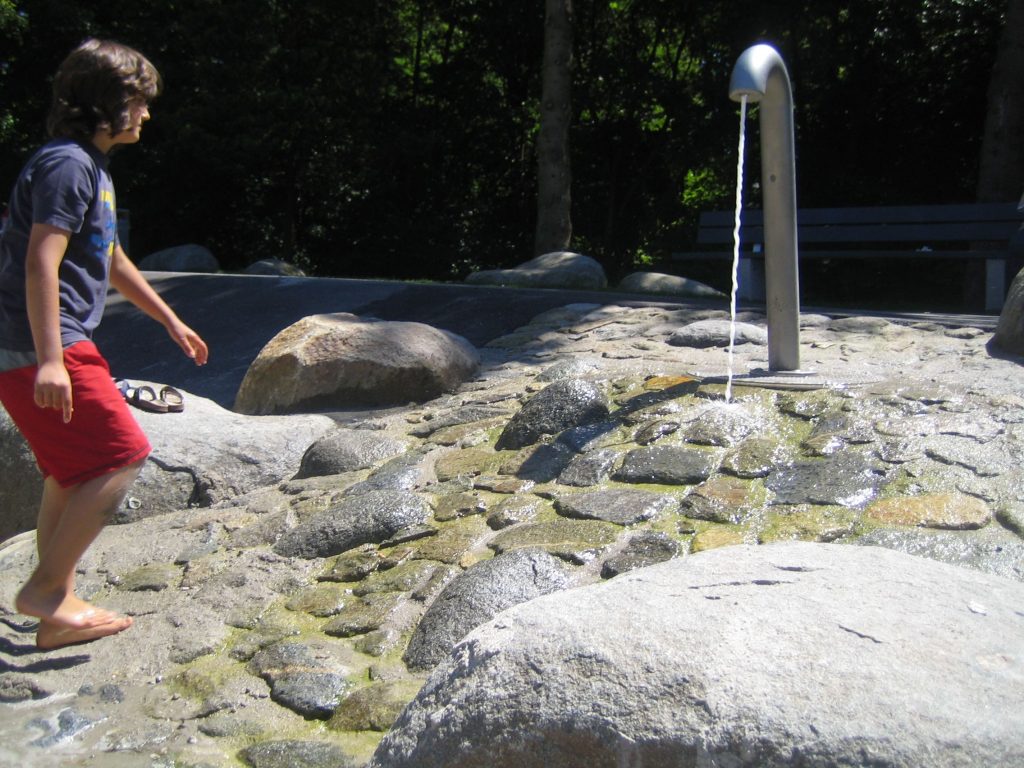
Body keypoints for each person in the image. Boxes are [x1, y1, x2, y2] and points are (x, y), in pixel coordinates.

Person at [0, 39, 208, 650]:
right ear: (105, 103)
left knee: (69, 471)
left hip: (42, 342)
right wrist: (50, 361)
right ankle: (46, 589)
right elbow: (43, 260)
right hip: (46, 341)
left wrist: (169, 320)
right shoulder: (68, 164)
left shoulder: (90, 167)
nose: (146, 114)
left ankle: (53, 613)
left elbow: (111, 257)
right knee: (122, 453)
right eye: (139, 101)